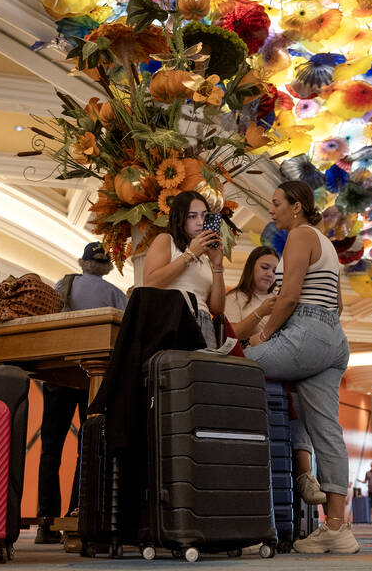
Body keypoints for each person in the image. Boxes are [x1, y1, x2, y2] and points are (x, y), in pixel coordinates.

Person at [244, 182, 358, 554]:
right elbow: (337, 303)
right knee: (326, 430)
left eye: (276, 204)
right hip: (333, 340)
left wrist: (265, 333)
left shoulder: (298, 235)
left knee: (232, 368)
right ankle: (337, 528)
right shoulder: (325, 244)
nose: (271, 210)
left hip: (306, 331)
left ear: (296, 207)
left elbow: (291, 295)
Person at [34, 242, 127, 545]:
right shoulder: (117, 294)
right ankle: (78, 514)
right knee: (86, 448)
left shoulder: (66, 283)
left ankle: (45, 522)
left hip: (59, 375)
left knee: (51, 448)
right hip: (94, 377)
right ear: (107, 266)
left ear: (83, 262)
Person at [143, 191, 225, 347]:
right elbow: (150, 283)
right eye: (192, 216)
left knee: (206, 370)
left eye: (204, 215)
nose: (200, 222)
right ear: (180, 219)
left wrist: (217, 265)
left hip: (205, 322)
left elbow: (217, 309)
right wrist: (190, 254)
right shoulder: (166, 240)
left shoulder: (205, 257)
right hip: (175, 318)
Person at [224, 247, 279, 342]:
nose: (270, 274)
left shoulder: (279, 298)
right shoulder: (234, 297)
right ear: (251, 267)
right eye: (265, 267)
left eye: (275, 271)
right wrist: (260, 312)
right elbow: (231, 334)